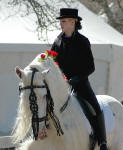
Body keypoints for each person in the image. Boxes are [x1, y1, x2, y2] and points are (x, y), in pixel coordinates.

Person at [51, 8, 108, 150]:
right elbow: (52, 63)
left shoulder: (83, 41)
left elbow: (91, 67)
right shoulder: (57, 41)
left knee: (95, 108)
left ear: (73, 22)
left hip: (80, 84)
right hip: (61, 85)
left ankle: (102, 142)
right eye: (61, 21)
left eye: (64, 21)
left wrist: (76, 79)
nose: (61, 24)